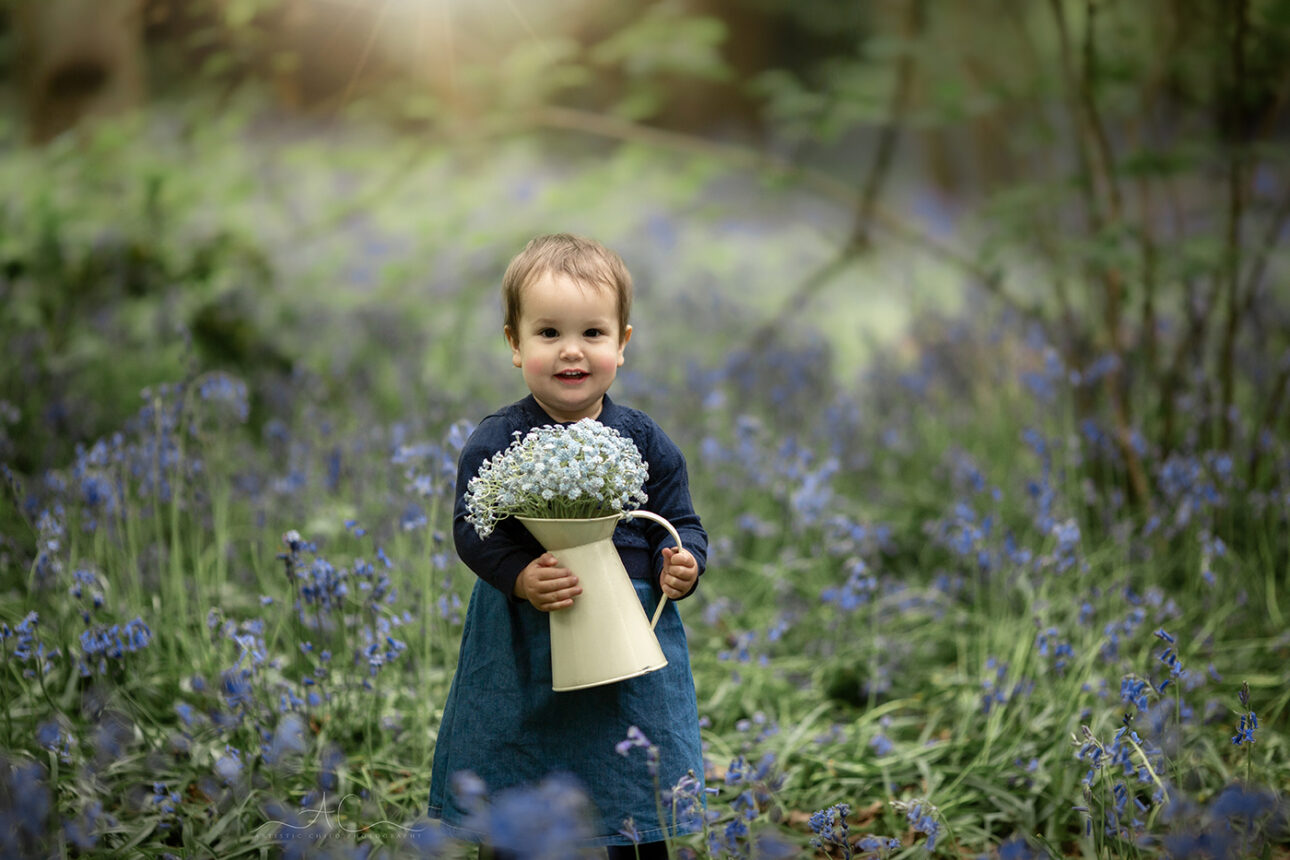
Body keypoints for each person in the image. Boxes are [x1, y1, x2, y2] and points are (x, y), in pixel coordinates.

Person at [427, 234, 709, 859]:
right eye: (549, 332)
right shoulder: (498, 438)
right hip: (526, 638)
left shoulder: (642, 438)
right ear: (515, 343)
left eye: (593, 333)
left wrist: (683, 564)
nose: (571, 350)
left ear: (622, 344)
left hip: (627, 635)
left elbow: (681, 521)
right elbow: (473, 527)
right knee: (517, 764)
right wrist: (521, 575)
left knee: (633, 775)